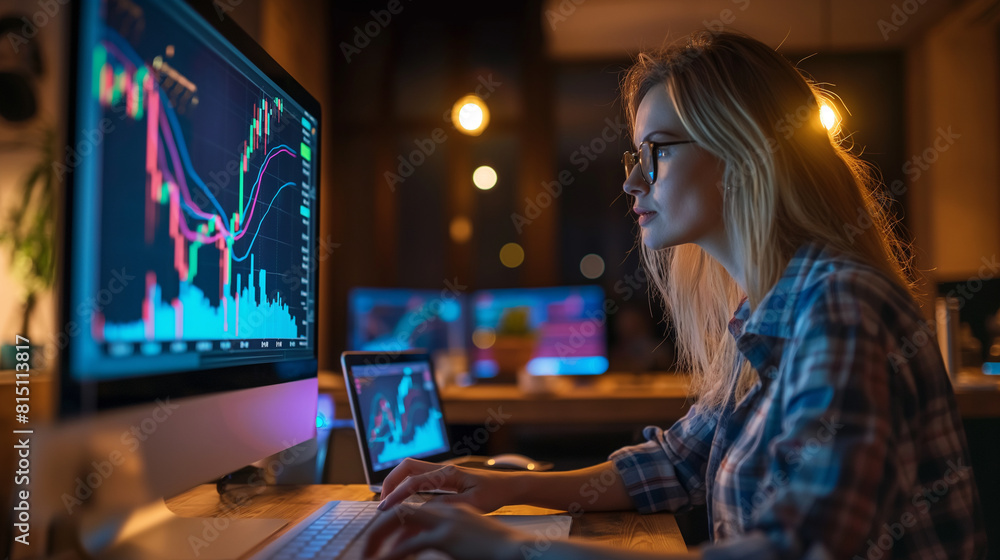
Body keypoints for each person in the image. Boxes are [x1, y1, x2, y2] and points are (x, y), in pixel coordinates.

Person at [363, 30, 987, 560]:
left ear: (743, 150)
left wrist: (510, 548)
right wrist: (492, 488)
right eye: (636, 156)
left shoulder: (841, 306)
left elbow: (797, 550)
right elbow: (680, 463)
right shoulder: (769, 311)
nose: (632, 181)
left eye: (656, 152)